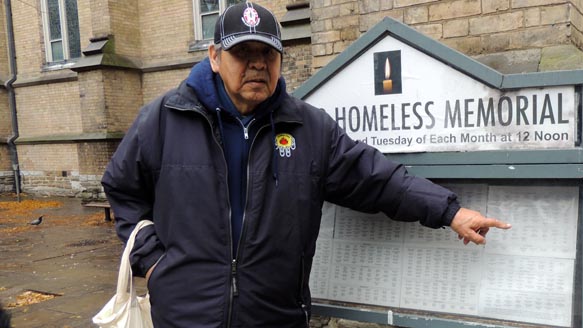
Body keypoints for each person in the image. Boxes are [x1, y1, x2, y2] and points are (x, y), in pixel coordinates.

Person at [101, 1, 511, 327]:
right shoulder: (164, 119)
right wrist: (154, 264)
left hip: (274, 315)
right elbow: (121, 188)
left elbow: (377, 179)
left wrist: (450, 211)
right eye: (243, 52)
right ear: (213, 56)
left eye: (267, 53)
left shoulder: (309, 129)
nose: (258, 64)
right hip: (185, 316)